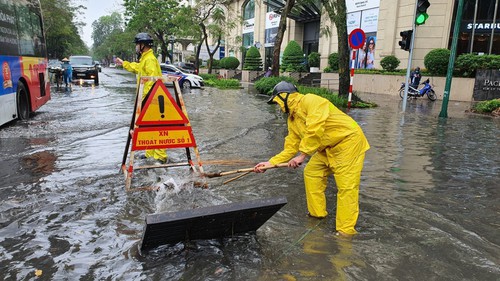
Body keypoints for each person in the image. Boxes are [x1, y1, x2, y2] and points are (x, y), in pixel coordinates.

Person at [254, 81, 370, 237]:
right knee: (311, 173)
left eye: (276, 101)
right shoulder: (292, 119)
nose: (277, 106)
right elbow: (290, 146)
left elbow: (315, 128)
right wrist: (270, 163)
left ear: (284, 97)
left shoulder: (311, 100)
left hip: (348, 143)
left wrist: (302, 155)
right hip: (326, 149)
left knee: (346, 188)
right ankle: (317, 214)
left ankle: (345, 232)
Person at [115, 32, 168, 163]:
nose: (136, 47)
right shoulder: (145, 58)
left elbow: (152, 79)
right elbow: (138, 68)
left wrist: (144, 99)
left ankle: (160, 156)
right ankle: (150, 153)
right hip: (148, 98)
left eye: (138, 44)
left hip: (152, 99)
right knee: (149, 127)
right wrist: (124, 64)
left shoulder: (149, 59)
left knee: (156, 128)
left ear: (143, 45)